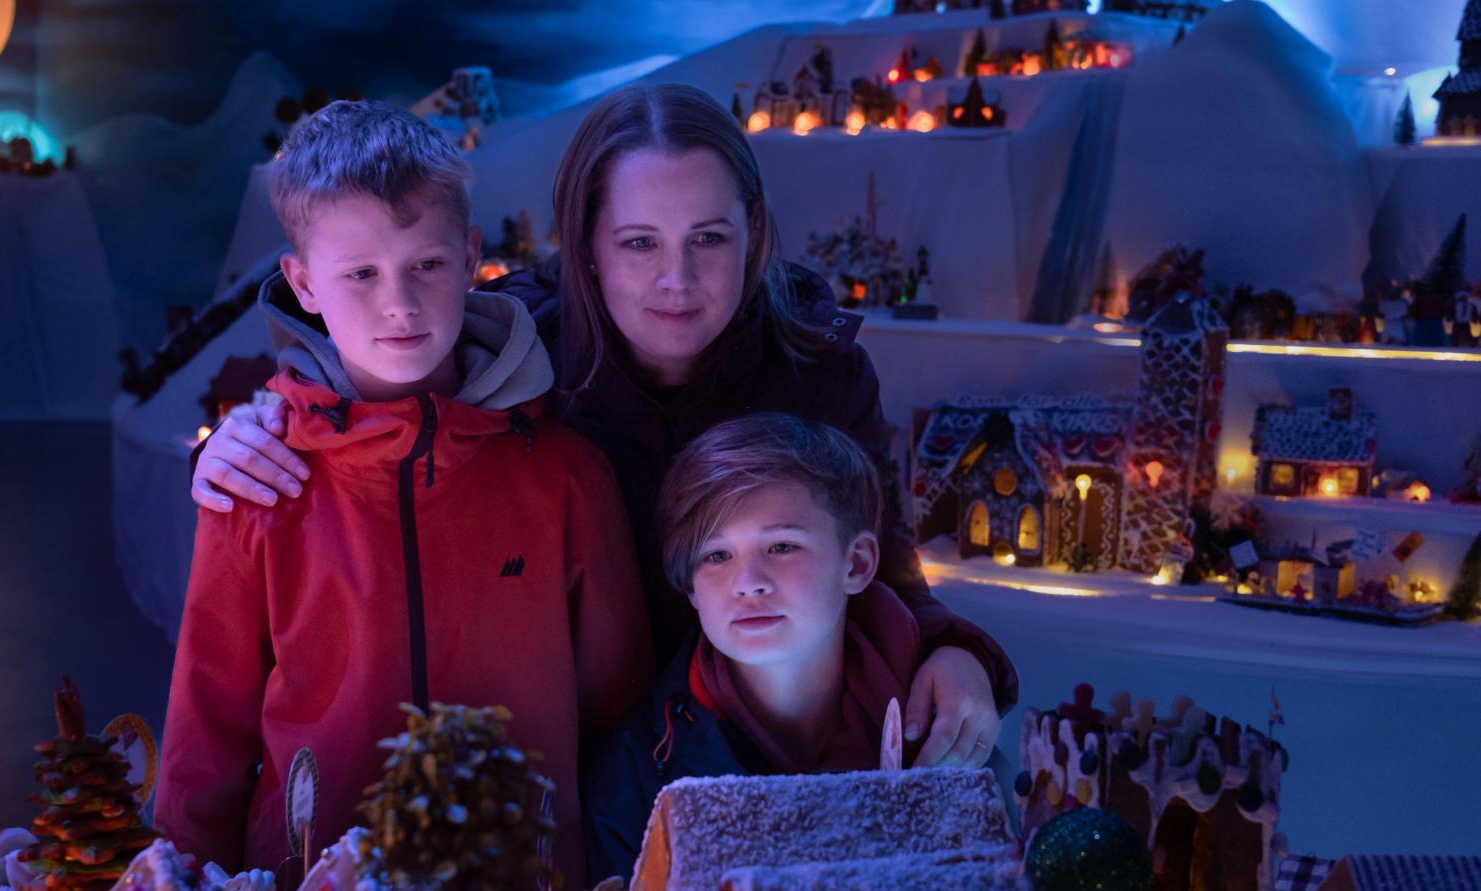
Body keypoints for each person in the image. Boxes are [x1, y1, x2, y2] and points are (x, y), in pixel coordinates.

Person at [191, 83, 1015, 769]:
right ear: (585, 248)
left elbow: (883, 561)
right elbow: (389, 388)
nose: (676, 280)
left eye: (710, 240)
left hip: (776, 739)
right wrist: (268, 423)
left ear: (754, 236)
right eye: (638, 243)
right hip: (595, 766)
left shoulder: (815, 366)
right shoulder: (517, 355)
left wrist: (956, 649)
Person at [154, 102, 650, 886]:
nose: (400, 302)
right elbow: (205, 734)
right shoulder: (258, 486)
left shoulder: (565, 478)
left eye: (426, 264)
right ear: (303, 283)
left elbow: (615, 711)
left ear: (471, 254)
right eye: (361, 273)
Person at [584, 413, 922, 883]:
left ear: (857, 563)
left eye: (782, 546)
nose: (748, 584)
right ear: (691, 589)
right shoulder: (635, 777)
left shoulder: (941, 737)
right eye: (717, 555)